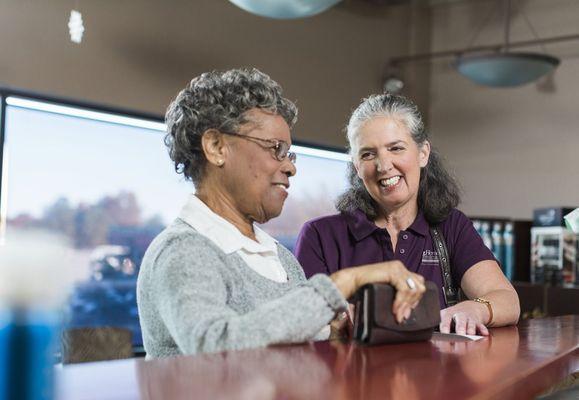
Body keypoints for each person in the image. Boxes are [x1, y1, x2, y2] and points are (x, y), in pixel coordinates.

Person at [136, 69, 426, 359]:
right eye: (276, 149)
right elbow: (215, 350)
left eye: (289, 153)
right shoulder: (182, 250)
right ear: (216, 147)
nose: (290, 167)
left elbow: (291, 344)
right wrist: (343, 284)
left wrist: (335, 330)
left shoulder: (280, 257)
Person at [295, 93, 520, 336]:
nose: (383, 165)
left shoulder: (451, 226)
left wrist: (476, 309)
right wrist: (334, 319)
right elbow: (300, 321)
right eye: (368, 154)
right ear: (357, 166)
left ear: (423, 153)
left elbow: (508, 301)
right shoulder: (319, 235)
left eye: (396, 148)